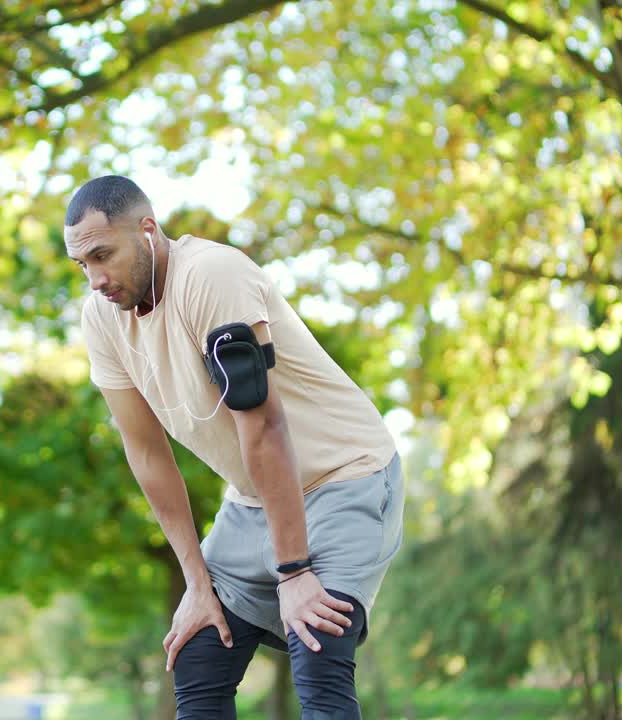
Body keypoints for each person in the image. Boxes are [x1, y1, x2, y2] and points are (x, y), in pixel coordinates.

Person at [65, 175, 404, 719]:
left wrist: (294, 573)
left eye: (104, 255)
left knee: (316, 651)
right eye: (83, 265)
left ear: (148, 231)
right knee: (198, 655)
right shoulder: (102, 320)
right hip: (253, 500)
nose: (96, 279)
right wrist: (196, 582)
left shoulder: (212, 276)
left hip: (346, 476)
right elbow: (147, 455)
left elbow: (264, 425)